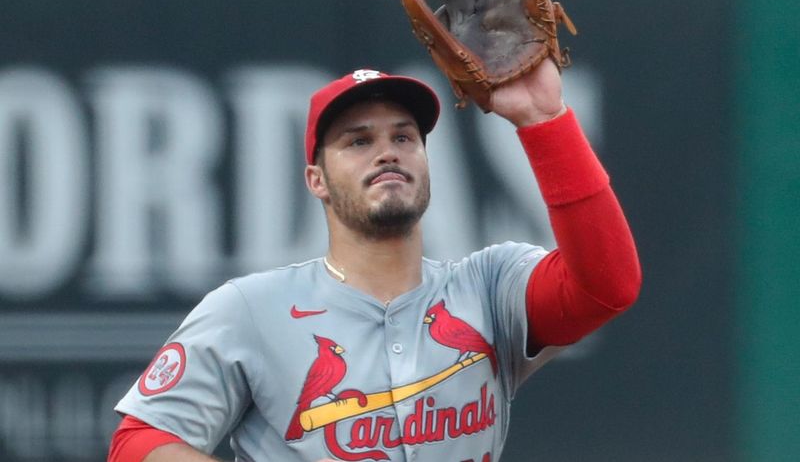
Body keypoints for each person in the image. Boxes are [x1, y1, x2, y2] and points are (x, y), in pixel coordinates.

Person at [107, 60, 642, 461]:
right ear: (316, 179)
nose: (387, 151)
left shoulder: (489, 287)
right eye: (358, 141)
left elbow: (607, 287)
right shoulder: (251, 308)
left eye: (403, 137)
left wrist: (545, 118)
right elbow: (138, 442)